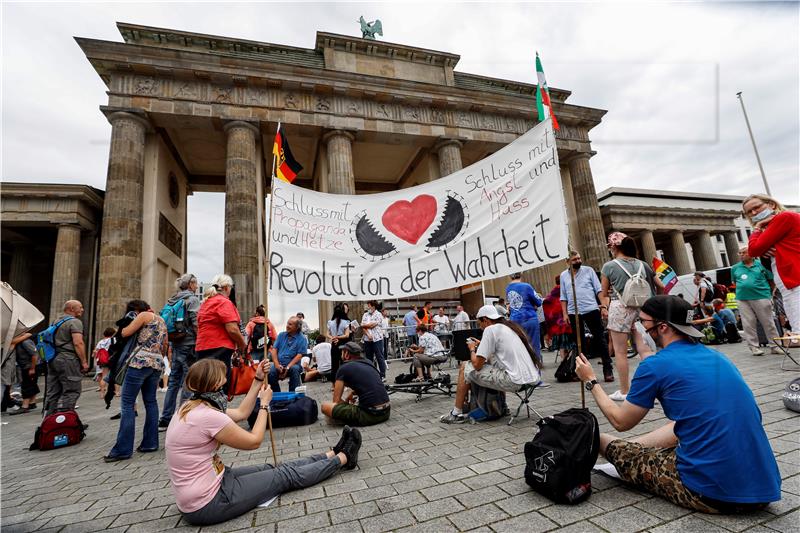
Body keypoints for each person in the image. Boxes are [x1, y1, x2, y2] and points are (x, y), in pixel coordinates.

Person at [574, 295, 781, 513]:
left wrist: (591, 381)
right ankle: (634, 447)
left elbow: (620, 421)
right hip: (763, 489)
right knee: (689, 421)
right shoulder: (717, 357)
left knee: (601, 439)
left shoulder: (656, 365)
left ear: (662, 327)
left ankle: (622, 450)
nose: (640, 328)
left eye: (642, 322)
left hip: (713, 494)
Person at [166, 358, 362, 526]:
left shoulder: (192, 407)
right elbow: (254, 441)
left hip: (213, 482)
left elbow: (242, 413)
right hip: (209, 502)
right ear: (214, 384)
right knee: (284, 476)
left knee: (274, 467)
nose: (227, 382)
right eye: (224, 379)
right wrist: (265, 404)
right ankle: (345, 457)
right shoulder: (208, 416)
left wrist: (258, 379)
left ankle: (333, 452)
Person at [440, 305, 541, 424]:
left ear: (486, 320)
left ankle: (456, 413)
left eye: (479, 324)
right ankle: (502, 407)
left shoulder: (490, 329)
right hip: (532, 379)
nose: (480, 327)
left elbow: (477, 364)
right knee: (496, 367)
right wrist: (482, 344)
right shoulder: (508, 327)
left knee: (465, 366)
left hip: (515, 381)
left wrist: (472, 349)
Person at [600, 233, 662, 401]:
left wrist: (605, 303)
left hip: (621, 308)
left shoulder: (609, 266)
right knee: (645, 349)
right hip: (643, 309)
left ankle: (625, 391)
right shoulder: (643, 264)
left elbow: (603, 292)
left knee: (620, 352)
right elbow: (661, 286)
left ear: (615, 247)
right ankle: (658, 385)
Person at [105, 300, 168, 462]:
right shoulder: (161, 320)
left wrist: (127, 322)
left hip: (139, 362)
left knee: (127, 404)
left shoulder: (144, 315)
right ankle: (150, 443)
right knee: (151, 402)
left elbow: (124, 333)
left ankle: (123, 449)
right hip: (156, 363)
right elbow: (165, 345)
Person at [744, 193, 800, 335]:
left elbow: (753, 249)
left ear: (772, 205)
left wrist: (756, 229)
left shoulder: (783, 217)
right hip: (788, 280)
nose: (753, 213)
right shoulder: (772, 226)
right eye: (749, 212)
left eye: (756, 207)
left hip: (794, 277)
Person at [560, 251, 614, 382]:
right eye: (574, 259)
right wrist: (565, 313)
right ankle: (583, 371)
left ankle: (608, 369)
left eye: (579, 258)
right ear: (568, 262)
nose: (578, 261)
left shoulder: (589, 271)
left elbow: (599, 289)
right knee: (579, 344)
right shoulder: (563, 276)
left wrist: (603, 306)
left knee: (600, 339)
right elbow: (563, 296)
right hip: (574, 312)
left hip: (591, 309)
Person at [158, 274, 202, 430]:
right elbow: (196, 322)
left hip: (176, 343)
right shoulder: (192, 299)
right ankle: (183, 416)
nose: (196, 287)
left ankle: (165, 418)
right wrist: (200, 340)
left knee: (174, 381)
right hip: (189, 344)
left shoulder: (173, 299)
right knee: (188, 380)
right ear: (190, 284)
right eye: (195, 284)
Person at [195, 274, 247, 391]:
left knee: (205, 385)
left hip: (202, 347)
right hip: (219, 348)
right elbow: (232, 329)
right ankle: (218, 409)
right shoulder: (224, 302)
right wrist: (242, 344)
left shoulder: (205, 303)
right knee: (219, 385)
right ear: (226, 287)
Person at [321, 342, 391, 426]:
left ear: (347, 354)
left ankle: (346, 420)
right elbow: (368, 385)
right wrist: (351, 394)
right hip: (386, 412)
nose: (341, 354)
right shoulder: (369, 362)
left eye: (342, 351)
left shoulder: (343, 368)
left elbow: (336, 401)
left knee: (325, 406)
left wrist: (346, 404)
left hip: (370, 415)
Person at [44, 300, 88, 415]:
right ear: (72, 309)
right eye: (80, 307)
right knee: (71, 390)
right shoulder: (75, 322)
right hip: (68, 359)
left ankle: (49, 420)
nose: (82, 309)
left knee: (53, 391)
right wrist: (84, 361)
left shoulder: (56, 321)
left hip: (53, 358)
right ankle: (65, 421)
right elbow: (78, 343)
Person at [505, 273, 543, 362]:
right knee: (534, 347)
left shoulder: (508, 288)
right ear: (521, 274)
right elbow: (538, 302)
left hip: (515, 321)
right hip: (529, 318)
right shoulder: (526, 286)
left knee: (520, 348)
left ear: (509, 276)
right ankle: (536, 371)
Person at [268, 316, 308, 392]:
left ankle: (293, 395)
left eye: (290, 324)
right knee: (271, 371)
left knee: (294, 369)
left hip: (293, 365)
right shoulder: (281, 335)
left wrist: (288, 367)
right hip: (279, 364)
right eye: (287, 323)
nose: (287, 326)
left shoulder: (302, 339)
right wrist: (276, 365)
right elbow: (274, 350)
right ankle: (277, 395)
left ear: (297, 327)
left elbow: (299, 356)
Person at [543, 276, 575, 361]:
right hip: (568, 322)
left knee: (561, 345)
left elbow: (546, 304)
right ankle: (570, 361)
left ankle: (564, 362)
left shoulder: (551, 295)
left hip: (556, 325)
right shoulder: (566, 291)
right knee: (570, 343)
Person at [7, 335, 39, 415]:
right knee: (32, 384)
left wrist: (32, 368)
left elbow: (34, 354)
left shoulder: (25, 342)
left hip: (29, 366)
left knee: (26, 385)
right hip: (27, 366)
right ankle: (32, 403)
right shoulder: (21, 341)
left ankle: (25, 406)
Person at [360, 300, 386, 381]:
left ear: (373, 306)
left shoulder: (378, 314)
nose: (368, 307)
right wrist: (367, 334)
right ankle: (371, 375)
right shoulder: (365, 314)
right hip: (367, 339)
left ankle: (382, 375)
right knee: (368, 358)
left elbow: (372, 325)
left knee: (379, 357)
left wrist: (364, 325)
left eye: (369, 306)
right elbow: (362, 327)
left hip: (377, 338)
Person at [327, 304, 351, 388]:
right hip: (342, 343)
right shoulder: (345, 322)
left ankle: (333, 385)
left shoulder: (330, 322)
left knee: (334, 364)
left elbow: (327, 334)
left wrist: (333, 338)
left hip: (334, 344)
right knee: (344, 363)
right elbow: (347, 335)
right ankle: (344, 384)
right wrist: (338, 337)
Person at [92, 327, 116, 398]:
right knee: (111, 375)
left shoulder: (101, 341)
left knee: (101, 375)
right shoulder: (114, 340)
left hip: (100, 360)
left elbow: (95, 352)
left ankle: (102, 392)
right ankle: (114, 391)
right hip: (109, 359)